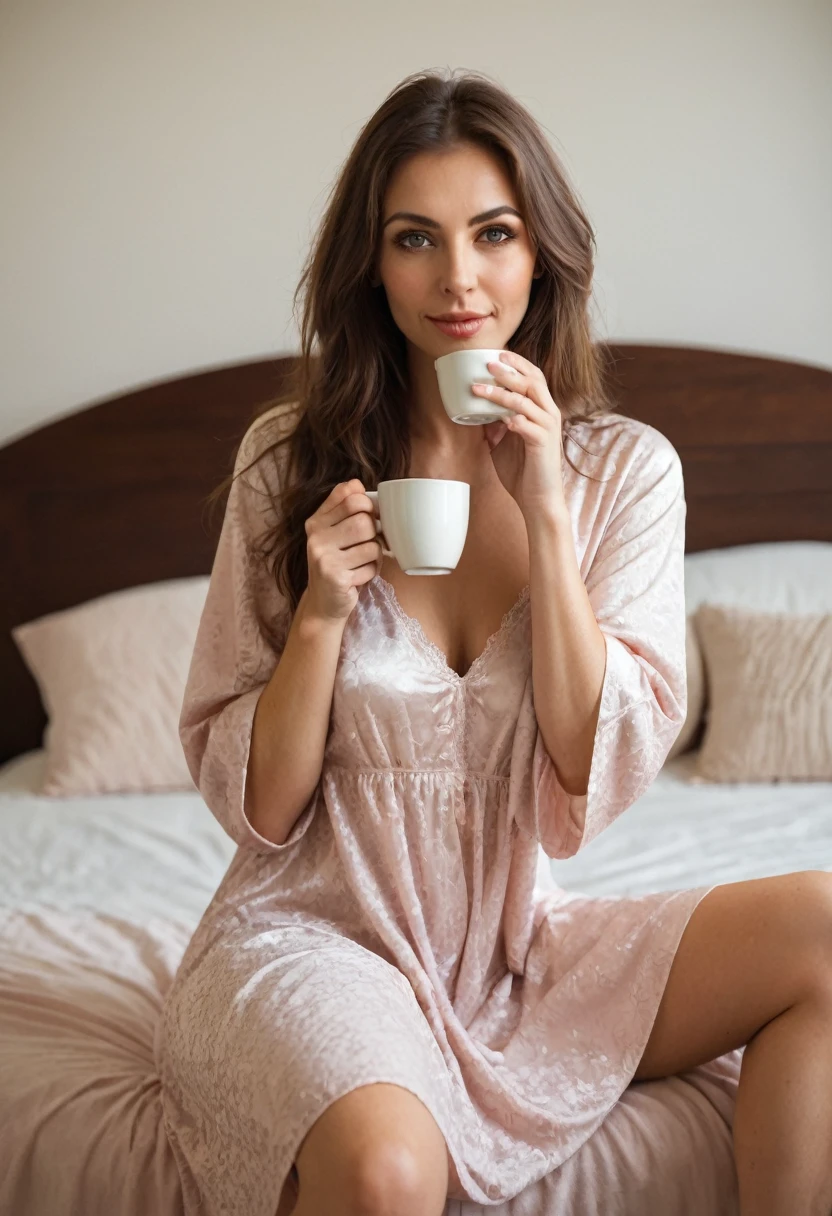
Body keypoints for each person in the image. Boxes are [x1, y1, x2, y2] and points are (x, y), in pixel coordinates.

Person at [158, 68, 832, 1216]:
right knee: (384, 1170)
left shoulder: (624, 472)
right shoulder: (288, 460)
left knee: (823, 925)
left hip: (511, 951)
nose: (458, 278)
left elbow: (590, 765)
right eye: (415, 238)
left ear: (540, 254)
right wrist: (322, 611)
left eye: (493, 233)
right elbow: (262, 810)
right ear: (371, 263)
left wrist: (549, 508)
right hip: (317, 935)